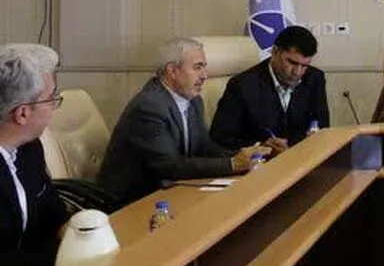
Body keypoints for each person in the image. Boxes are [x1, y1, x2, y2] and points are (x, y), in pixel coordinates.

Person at [98, 38, 266, 206]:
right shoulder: (149, 107)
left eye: (204, 67)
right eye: (197, 67)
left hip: (171, 190)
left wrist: (242, 155)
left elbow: (204, 147)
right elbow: (170, 166)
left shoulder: (193, 100)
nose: (204, 75)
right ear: (172, 71)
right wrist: (232, 164)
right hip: (130, 201)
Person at [0, 44, 70, 266]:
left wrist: (76, 231)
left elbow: (53, 211)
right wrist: (66, 255)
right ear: (22, 114)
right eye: (52, 99)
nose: (55, 106)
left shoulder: (29, 148)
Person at [210, 25, 329, 152]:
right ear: (275, 52)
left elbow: (322, 125)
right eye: (292, 63)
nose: (297, 72)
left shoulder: (315, 78)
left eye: (305, 65)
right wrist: (261, 145)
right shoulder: (242, 85)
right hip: (261, 159)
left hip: (303, 156)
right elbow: (219, 138)